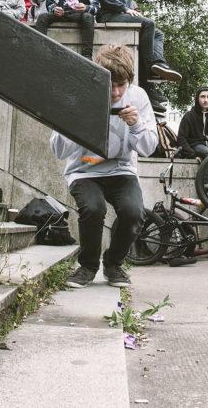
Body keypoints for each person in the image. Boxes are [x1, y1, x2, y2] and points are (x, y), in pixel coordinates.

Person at [52, 44, 157, 289]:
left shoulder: (138, 97)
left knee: (133, 212)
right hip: (84, 170)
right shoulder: (80, 93)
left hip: (121, 170)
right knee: (93, 208)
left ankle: (113, 264)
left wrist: (137, 124)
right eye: (110, 84)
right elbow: (58, 150)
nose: (116, 92)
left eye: (122, 84)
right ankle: (87, 267)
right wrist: (75, 119)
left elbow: (148, 148)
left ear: (129, 81)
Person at [97, 0, 183, 101]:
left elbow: (132, 12)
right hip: (108, 16)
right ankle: (150, 67)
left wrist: (132, 12)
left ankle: (158, 63)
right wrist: (124, 8)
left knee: (158, 33)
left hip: (122, 17)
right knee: (148, 23)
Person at [176, 87, 208, 161]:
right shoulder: (189, 116)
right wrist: (192, 155)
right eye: (202, 97)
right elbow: (181, 138)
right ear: (197, 98)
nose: (206, 100)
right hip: (196, 146)